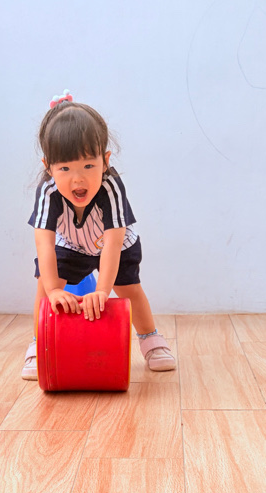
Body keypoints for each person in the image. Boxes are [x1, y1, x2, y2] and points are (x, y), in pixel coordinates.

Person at [21, 90, 176, 380]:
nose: (78, 178)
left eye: (88, 166)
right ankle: (38, 342)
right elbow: (44, 245)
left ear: (105, 161)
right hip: (71, 245)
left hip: (115, 245)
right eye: (65, 168)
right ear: (48, 167)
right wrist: (54, 290)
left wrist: (103, 291)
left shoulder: (111, 187)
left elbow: (113, 244)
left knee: (130, 289)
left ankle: (150, 339)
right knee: (44, 284)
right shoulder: (48, 192)